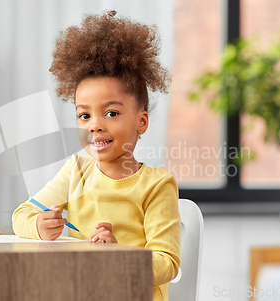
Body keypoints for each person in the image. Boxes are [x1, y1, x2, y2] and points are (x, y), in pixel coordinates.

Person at [12, 10, 180, 301]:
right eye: (84, 115)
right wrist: (39, 226)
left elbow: (167, 262)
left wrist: (118, 260)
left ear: (141, 121)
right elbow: (21, 215)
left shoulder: (157, 186)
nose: (95, 125)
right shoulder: (76, 171)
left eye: (111, 113)